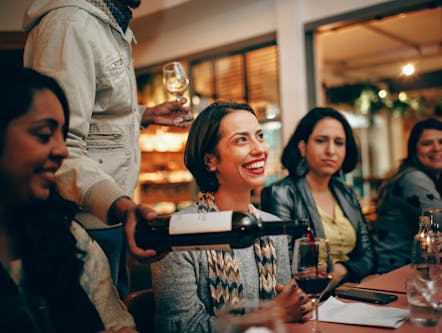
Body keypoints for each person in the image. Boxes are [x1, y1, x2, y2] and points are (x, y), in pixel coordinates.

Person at [23, 0, 190, 296]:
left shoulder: (111, 23)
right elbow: (59, 145)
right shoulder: (70, 25)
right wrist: (122, 207)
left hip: (110, 220)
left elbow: (96, 112)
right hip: (82, 224)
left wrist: (142, 115)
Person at [151, 102, 313, 333]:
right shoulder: (178, 234)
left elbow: (286, 306)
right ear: (211, 160)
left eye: (259, 136)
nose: (260, 149)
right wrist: (269, 314)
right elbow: (180, 329)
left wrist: (299, 307)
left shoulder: (272, 227)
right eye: (241, 140)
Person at [0, 67, 136, 333]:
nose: (62, 151)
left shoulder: (69, 236)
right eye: (43, 135)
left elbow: (117, 323)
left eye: (62, 136)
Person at [261, 107, 375, 286]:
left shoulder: (347, 192)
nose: (331, 151)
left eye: (339, 142)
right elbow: (284, 264)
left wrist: (341, 270)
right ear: (303, 147)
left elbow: (368, 255)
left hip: (353, 293)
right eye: (321, 141)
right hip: (310, 299)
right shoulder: (281, 193)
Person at [372, 118, 442, 274]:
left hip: (423, 268)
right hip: (395, 274)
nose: (436, 148)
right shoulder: (413, 179)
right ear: (414, 150)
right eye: (427, 144)